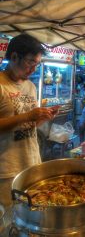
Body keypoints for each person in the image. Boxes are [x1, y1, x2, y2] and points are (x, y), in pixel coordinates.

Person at [0, 34, 59, 208]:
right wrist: (28, 116)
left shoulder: (31, 87)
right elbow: (24, 118)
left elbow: (28, 126)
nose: (33, 69)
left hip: (32, 162)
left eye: (37, 64)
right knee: (11, 221)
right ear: (14, 57)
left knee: (33, 215)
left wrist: (42, 118)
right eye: (30, 62)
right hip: (7, 170)